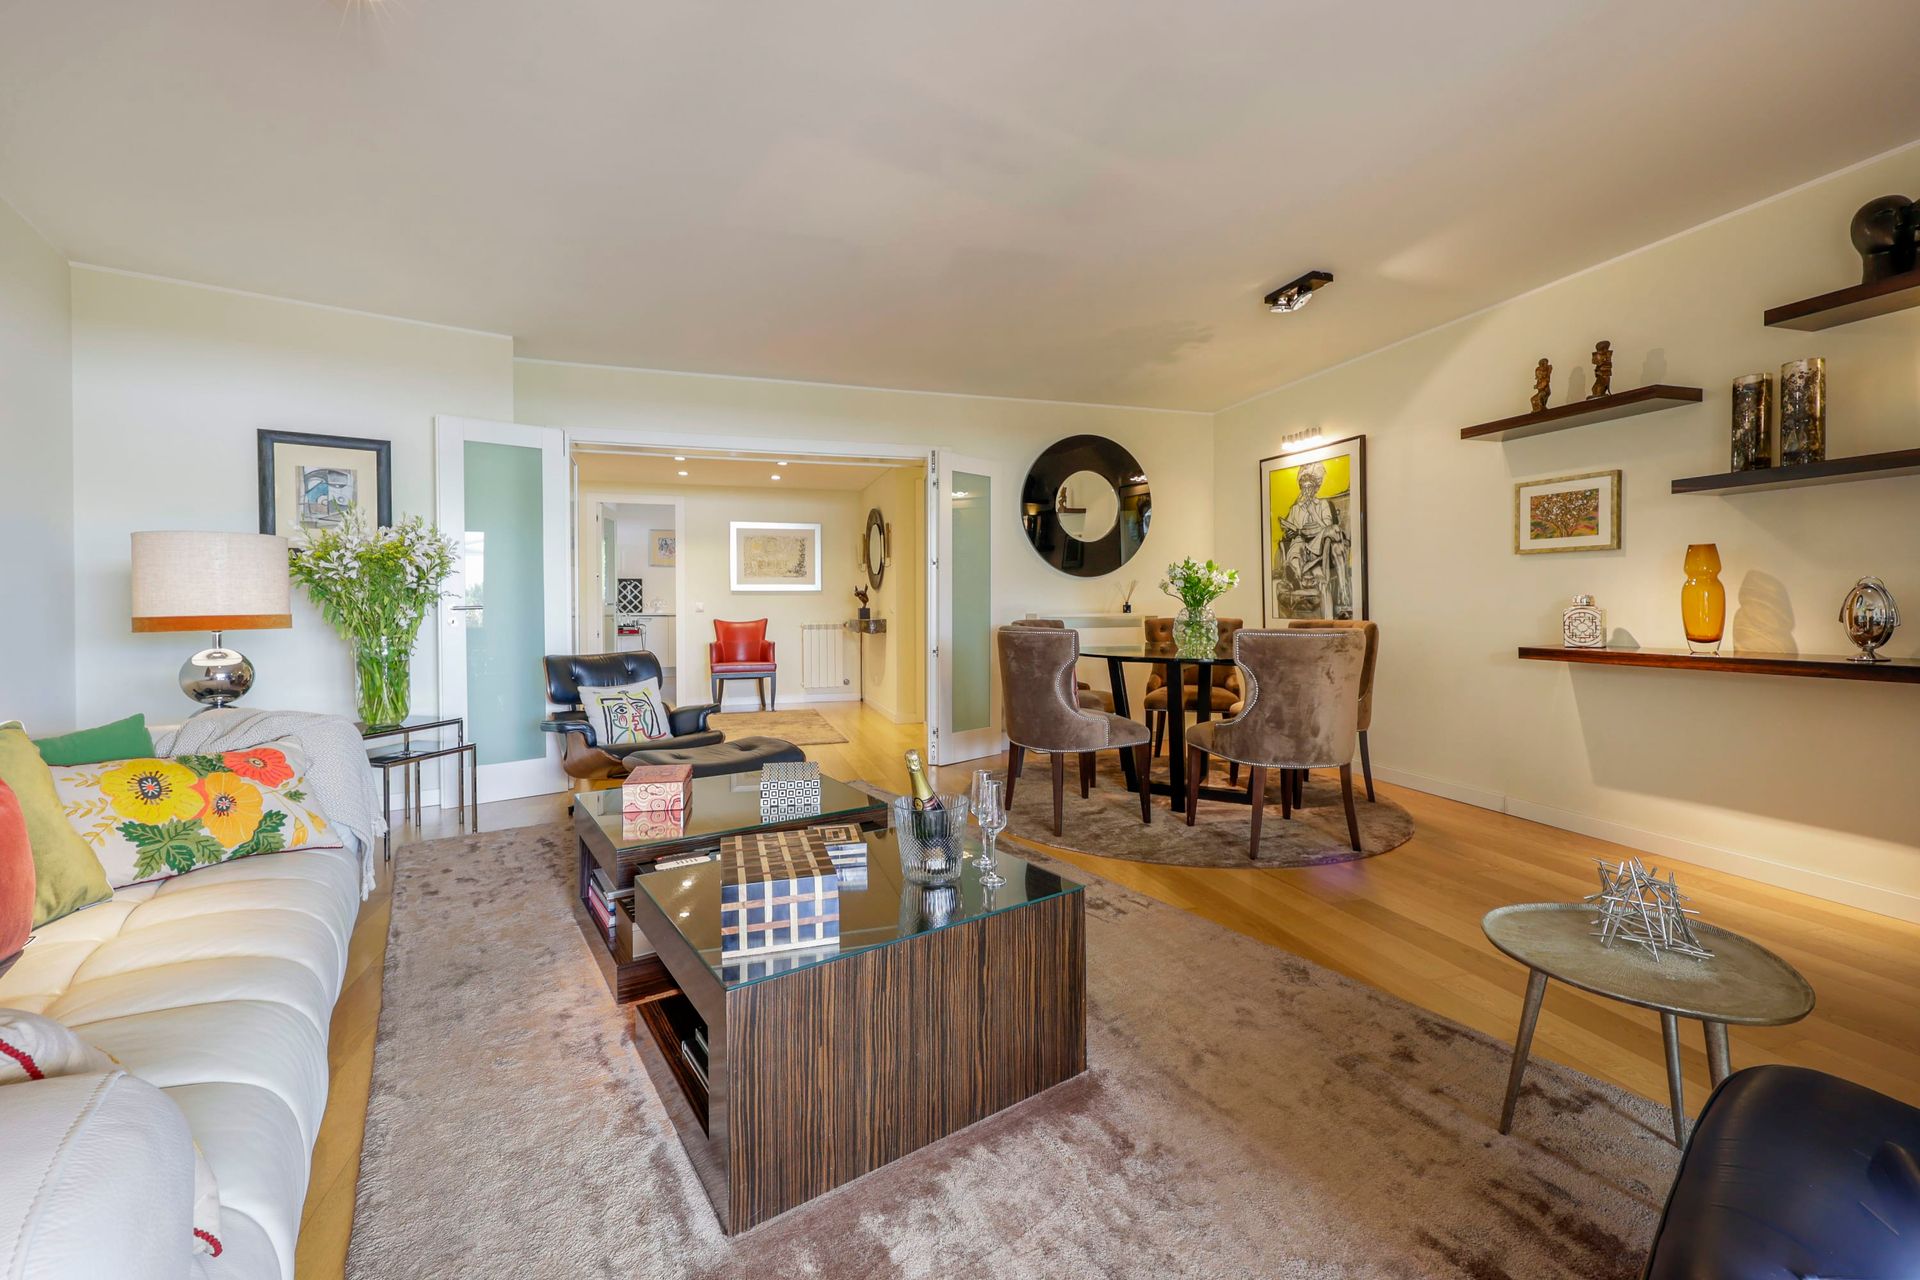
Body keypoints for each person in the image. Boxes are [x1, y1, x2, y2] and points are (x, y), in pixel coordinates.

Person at [1278, 462, 1352, 618]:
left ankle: (1300, 572)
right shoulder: (1295, 509)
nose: (1307, 491)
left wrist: (1314, 512)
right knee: (1295, 549)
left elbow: (1327, 526)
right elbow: (1288, 530)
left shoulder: (1323, 504)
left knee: (1329, 531)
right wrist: (1289, 532)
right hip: (1301, 543)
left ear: (1316, 488)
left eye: (1310, 487)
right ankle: (1297, 572)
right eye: (1304, 487)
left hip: (1318, 541)